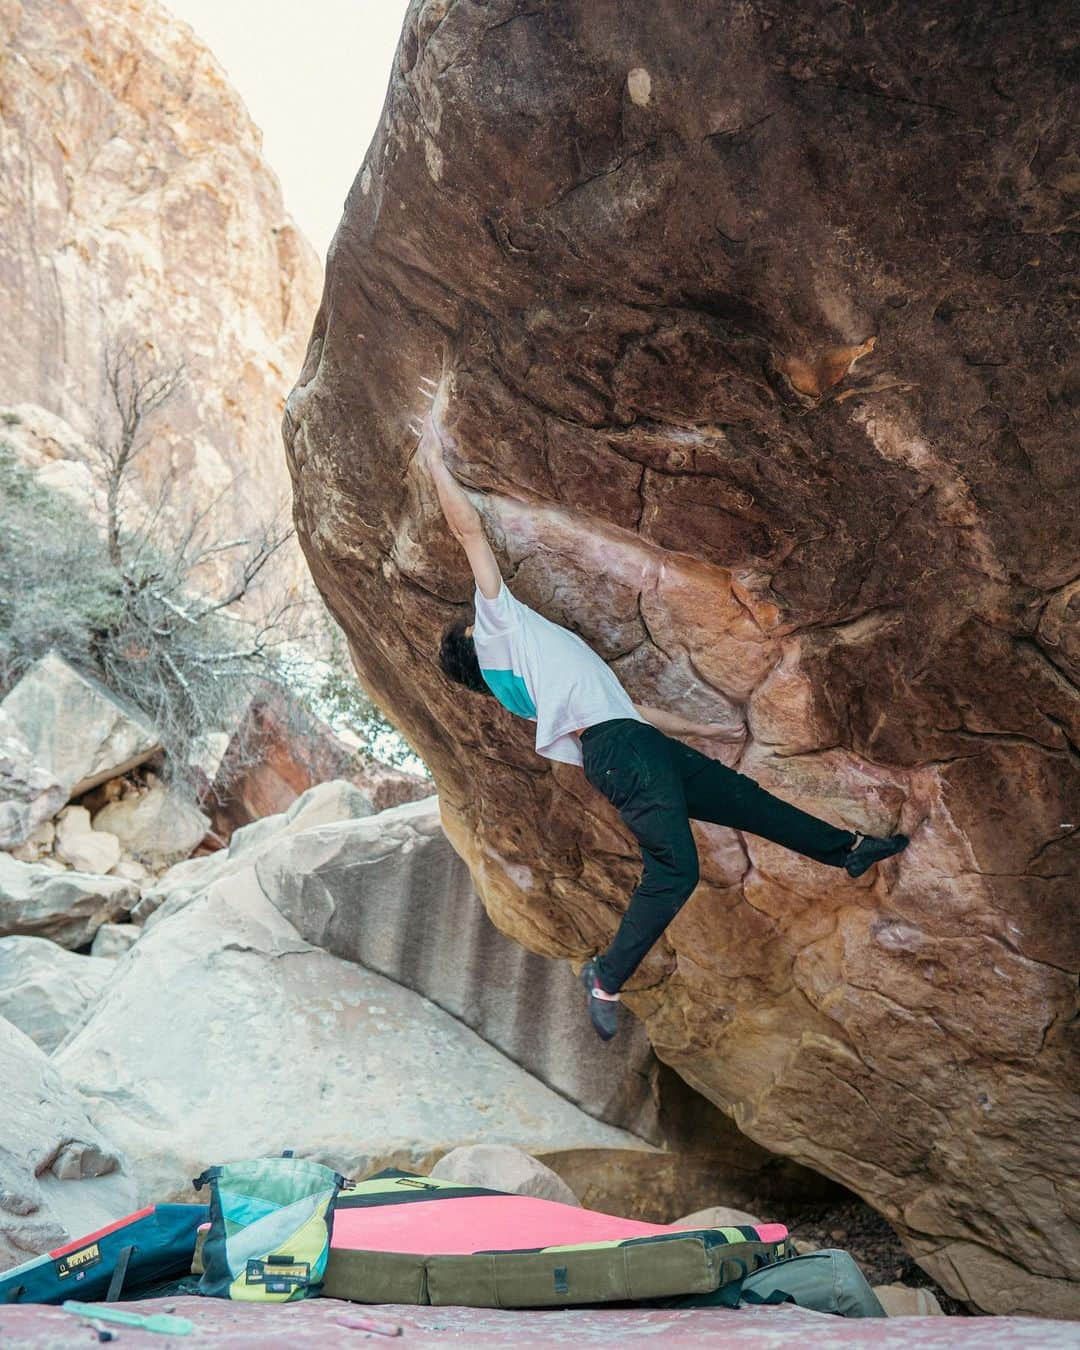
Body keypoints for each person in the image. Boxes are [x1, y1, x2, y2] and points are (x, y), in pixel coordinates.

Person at [411, 379, 908, 1040]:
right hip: (622, 752)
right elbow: (467, 529)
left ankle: (847, 851)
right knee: (676, 869)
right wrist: (433, 456)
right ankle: (606, 976)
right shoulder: (500, 632)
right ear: (473, 639)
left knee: (745, 802)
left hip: (631, 746)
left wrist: (703, 728)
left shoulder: (525, 683)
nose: (481, 606)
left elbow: (618, 708)